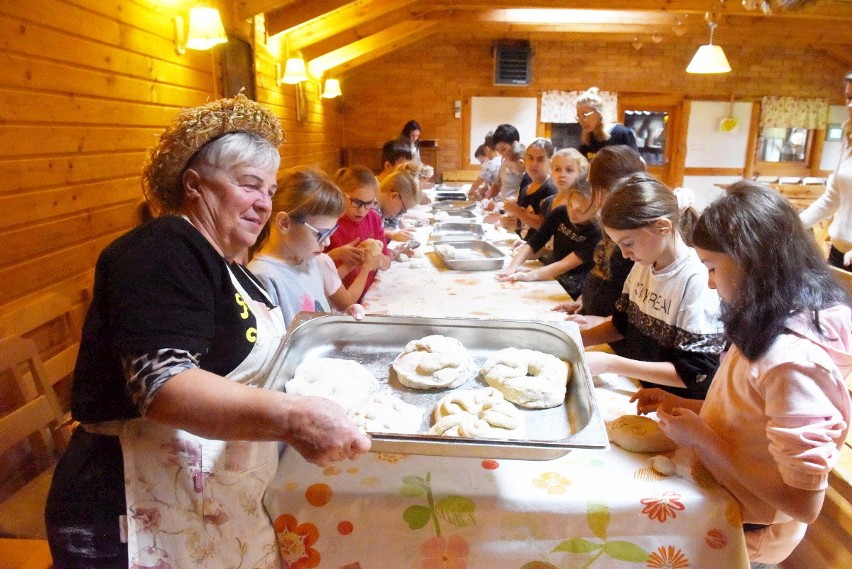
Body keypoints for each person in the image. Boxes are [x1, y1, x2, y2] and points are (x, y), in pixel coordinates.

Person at [44, 95, 371, 569]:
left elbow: (242, 350)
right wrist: (293, 416)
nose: (263, 202)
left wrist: (330, 328)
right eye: (249, 185)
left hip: (209, 502)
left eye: (270, 189)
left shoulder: (229, 266)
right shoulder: (162, 247)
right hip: (132, 510)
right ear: (194, 185)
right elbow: (164, 385)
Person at [632, 181, 851, 566]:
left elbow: (803, 502)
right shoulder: (767, 315)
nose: (711, 283)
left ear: (751, 262)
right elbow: (752, 412)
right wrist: (691, 406)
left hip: (749, 530)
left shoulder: (791, 363)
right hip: (727, 497)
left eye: (713, 268)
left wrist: (704, 441)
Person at [580, 172, 725, 399]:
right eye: (619, 245)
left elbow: (697, 374)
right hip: (640, 387)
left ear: (662, 227)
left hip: (675, 402)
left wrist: (611, 364)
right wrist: (576, 340)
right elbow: (620, 326)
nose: (625, 254)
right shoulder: (644, 263)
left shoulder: (696, 280)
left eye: (628, 243)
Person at [248, 168, 379, 326]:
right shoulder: (262, 277)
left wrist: (340, 318)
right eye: (321, 234)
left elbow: (316, 318)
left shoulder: (313, 261)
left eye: (332, 232)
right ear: (284, 223)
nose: (327, 243)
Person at [554, 145, 646, 327]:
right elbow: (600, 271)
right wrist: (583, 301)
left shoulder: (636, 231)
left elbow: (640, 303)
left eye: (592, 184)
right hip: (592, 318)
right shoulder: (610, 220)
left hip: (610, 329)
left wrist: (604, 321)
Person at [496, 168, 600, 299]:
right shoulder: (560, 212)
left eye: (581, 210)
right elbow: (535, 241)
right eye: (570, 204)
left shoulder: (596, 231)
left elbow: (565, 264)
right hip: (553, 274)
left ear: (596, 206)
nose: (573, 212)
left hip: (575, 285)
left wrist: (529, 276)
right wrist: (512, 267)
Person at [800, 71, 852, 271]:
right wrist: (792, 224)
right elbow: (832, 199)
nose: (850, 105)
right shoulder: (848, 138)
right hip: (840, 251)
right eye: (848, 98)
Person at [326, 165, 392, 301]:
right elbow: (315, 269)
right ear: (340, 195)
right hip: (340, 299)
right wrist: (335, 254)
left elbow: (386, 261)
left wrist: (377, 261)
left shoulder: (374, 218)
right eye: (356, 202)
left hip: (368, 295)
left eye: (369, 203)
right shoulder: (329, 222)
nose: (362, 210)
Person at [501, 137, 557, 240]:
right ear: (525, 159)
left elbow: (543, 226)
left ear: (550, 162)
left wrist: (516, 210)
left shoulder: (551, 189)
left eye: (540, 159)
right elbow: (523, 225)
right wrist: (511, 222)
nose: (534, 163)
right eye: (530, 158)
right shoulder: (526, 188)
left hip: (539, 253)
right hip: (522, 245)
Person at [576, 86, 639, 161]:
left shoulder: (622, 134)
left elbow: (637, 164)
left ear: (599, 113)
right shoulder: (587, 141)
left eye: (585, 115)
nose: (581, 120)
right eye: (578, 116)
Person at [377, 162, 421, 243]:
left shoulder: (385, 206)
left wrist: (404, 228)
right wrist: (392, 234)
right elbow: (369, 233)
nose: (400, 214)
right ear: (394, 196)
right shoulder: (368, 207)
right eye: (402, 210)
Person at [486, 123, 523, 201]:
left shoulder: (522, 164)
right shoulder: (504, 162)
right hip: (504, 207)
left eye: (503, 149)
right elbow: (497, 184)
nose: (501, 153)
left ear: (515, 144)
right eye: (498, 150)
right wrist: (486, 200)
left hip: (515, 208)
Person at [470, 132, 501, 199]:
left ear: (487, 149)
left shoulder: (489, 164)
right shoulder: (501, 160)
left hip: (495, 200)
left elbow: (478, 182)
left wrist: (470, 192)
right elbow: (492, 183)